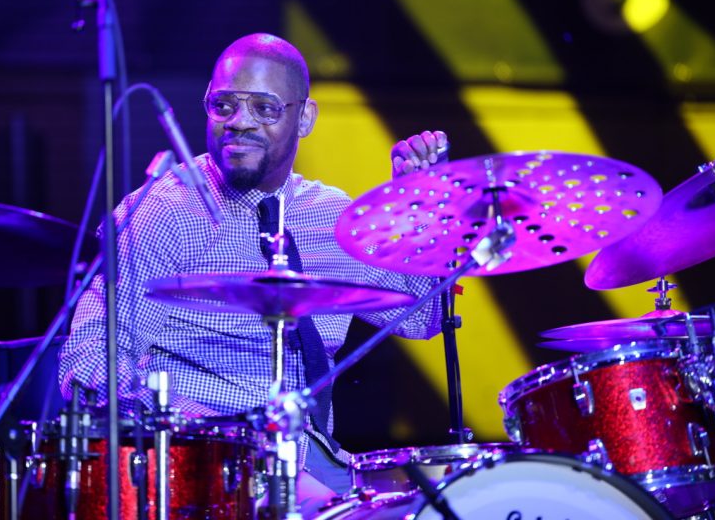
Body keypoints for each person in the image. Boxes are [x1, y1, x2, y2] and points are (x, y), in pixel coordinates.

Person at [58, 32, 447, 511]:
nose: (238, 123)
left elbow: (422, 318)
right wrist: (225, 437)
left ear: (304, 118)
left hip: (315, 461)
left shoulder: (333, 216)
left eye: (264, 108)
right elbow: (89, 363)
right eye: (223, 106)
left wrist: (416, 207)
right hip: (204, 471)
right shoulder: (166, 212)